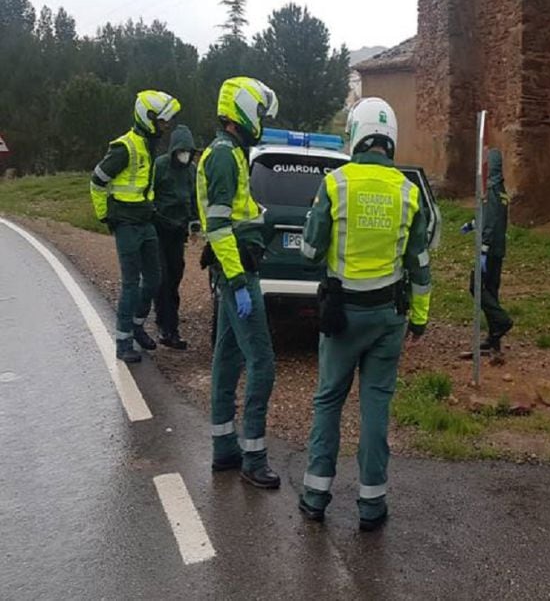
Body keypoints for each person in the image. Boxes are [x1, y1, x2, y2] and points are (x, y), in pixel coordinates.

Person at [298, 97, 431, 531]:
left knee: (329, 401)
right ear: (391, 140)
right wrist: (421, 319)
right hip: (388, 316)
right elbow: (421, 266)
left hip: (341, 316)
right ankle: (372, 505)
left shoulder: (335, 184)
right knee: (376, 409)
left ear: (355, 135)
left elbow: (312, 250)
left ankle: (316, 496)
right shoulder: (410, 192)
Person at [197, 77, 281, 489]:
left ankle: (224, 448)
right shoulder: (224, 157)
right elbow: (217, 226)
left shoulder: (227, 152)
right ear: (243, 111)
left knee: (227, 359)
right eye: (259, 112)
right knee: (262, 363)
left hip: (234, 269)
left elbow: (231, 215)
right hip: (237, 273)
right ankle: (254, 456)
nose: (260, 121)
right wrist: (238, 281)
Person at [91, 90, 181, 364]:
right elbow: (97, 181)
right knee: (131, 284)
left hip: (145, 222)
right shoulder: (125, 147)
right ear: (149, 118)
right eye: (164, 121)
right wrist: (105, 216)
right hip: (127, 224)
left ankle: (137, 324)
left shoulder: (149, 146)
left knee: (155, 278)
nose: (167, 127)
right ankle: (122, 341)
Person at [461, 148, 513, 362]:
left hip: (490, 249)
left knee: (477, 286)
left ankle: (502, 322)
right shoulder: (500, 190)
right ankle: (494, 339)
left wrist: (483, 249)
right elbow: (492, 217)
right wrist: (473, 225)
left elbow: (491, 223)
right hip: (498, 248)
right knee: (491, 290)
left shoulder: (492, 190)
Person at [152, 124, 197, 350]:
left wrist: (195, 222)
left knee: (175, 279)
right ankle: (163, 326)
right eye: (181, 150)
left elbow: (195, 198)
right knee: (161, 279)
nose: (184, 155)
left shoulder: (191, 171)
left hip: (178, 233)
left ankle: (173, 329)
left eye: (188, 151)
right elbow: (149, 194)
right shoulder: (159, 166)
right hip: (159, 230)